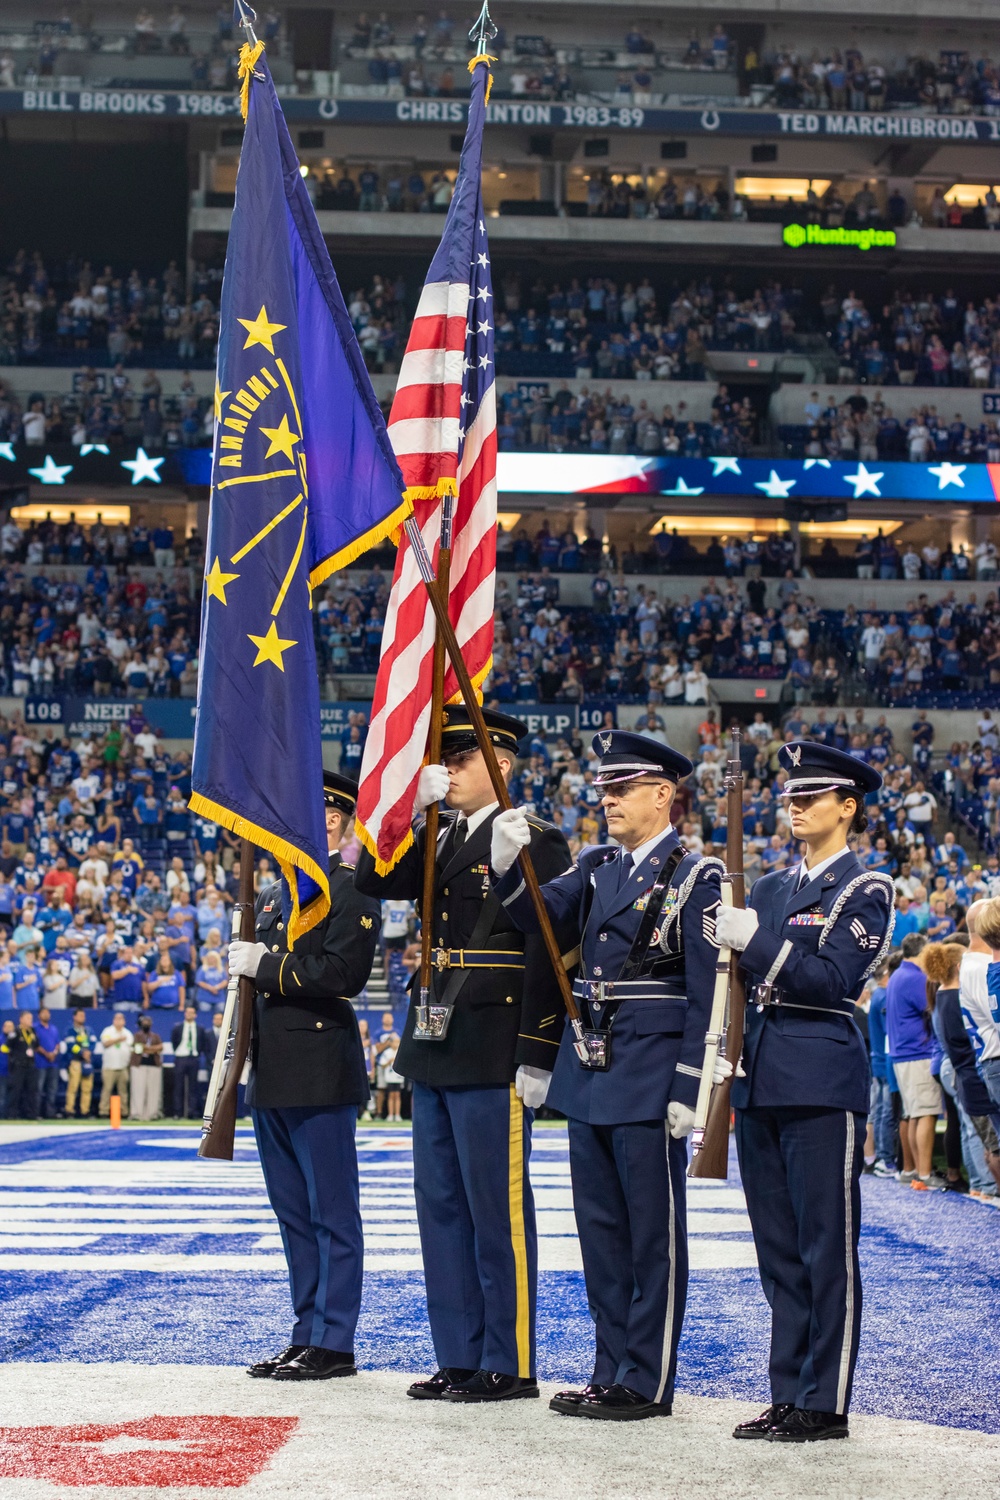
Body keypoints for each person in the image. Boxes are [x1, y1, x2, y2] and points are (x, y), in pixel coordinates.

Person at [490, 729, 722, 1421]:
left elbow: (708, 993)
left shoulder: (695, 874)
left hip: (652, 1070)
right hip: (592, 1069)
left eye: (623, 789)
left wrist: (690, 1084)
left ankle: (645, 1382)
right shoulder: (596, 864)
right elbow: (532, 918)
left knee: (652, 1235)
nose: (609, 799)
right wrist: (508, 863)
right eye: (605, 789)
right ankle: (608, 1368)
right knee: (600, 1232)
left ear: (663, 795)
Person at [356, 706, 572, 1405]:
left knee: (496, 1209)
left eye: (460, 760)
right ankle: (458, 1354)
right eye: (442, 761)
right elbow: (373, 881)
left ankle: (508, 1363)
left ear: (502, 765)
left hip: (494, 1042)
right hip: (437, 1037)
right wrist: (402, 820)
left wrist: (539, 1049)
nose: (446, 771)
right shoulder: (438, 835)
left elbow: (548, 949)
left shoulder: (535, 838)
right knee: (440, 1207)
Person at [717, 742, 894, 1443]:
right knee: (779, 1252)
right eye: (791, 797)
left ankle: (826, 1401)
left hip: (820, 1080)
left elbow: (828, 982)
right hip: (761, 1079)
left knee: (826, 1247)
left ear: (847, 806)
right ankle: (788, 1393)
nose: (795, 807)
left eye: (811, 797)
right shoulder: (767, 888)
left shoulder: (865, 889)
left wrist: (758, 943)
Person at [230, 771, 380, 1382]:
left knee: (331, 1212)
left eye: (328, 814)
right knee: (293, 1214)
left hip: (319, 1069)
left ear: (341, 822)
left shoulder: (349, 890)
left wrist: (267, 964)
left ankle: (335, 1340)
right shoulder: (270, 896)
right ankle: (305, 1332)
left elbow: (344, 974)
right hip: (273, 1073)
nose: (316, 822)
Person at [886, 932, 944, 1188]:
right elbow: (933, 1009)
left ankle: (911, 1169)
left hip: (902, 1054)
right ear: (921, 952)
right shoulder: (916, 977)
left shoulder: (898, 974)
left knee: (912, 1113)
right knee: (927, 1113)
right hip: (918, 1053)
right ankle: (923, 1174)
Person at [171, 1004, 209, 1118]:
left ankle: (192, 1112)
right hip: (181, 1057)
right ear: (185, 1014)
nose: (189, 1014)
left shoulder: (200, 1029)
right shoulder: (177, 1027)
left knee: (193, 1087)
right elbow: (174, 1042)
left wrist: (197, 1053)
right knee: (178, 1086)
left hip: (194, 1058)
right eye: (187, 1012)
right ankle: (178, 1112)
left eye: (191, 1012)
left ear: (195, 1015)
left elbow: (202, 1044)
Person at [61, 1008, 98, 1118]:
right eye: (80, 1015)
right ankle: (69, 1110)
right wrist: (82, 1052)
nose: (83, 1017)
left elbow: (93, 1042)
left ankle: (85, 1111)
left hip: (87, 1062)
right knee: (73, 1087)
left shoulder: (88, 1030)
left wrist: (88, 1052)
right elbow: (71, 1045)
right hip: (76, 1061)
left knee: (87, 1088)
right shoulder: (70, 1030)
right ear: (74, 1017)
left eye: (84, 1015)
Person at [98, 1012, 134, 1117]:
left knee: (123, 1091)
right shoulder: (108, 1031)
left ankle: (124, 1112)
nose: (119, 1021)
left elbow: (130, 1048)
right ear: (113, 1020)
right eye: (117, 1019)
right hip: (109, 1067)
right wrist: (118, 1039)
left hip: (123, 1067)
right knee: (107, 1089)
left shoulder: (128, 1033)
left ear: (124, 1021)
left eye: (121, 1019)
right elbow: (106, 1043)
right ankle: (103, 1111)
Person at [6, 1011, 40, 1117]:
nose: (30, 1020)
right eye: (27, 1018)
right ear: (21, 1019)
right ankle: (11, 1114)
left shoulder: (32, 1031)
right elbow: (7, 1046)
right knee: (15, 1090)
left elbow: (36, 1045)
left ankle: (31, 1114)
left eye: (31, 1018)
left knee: (31, 1090)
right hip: (18, 1065)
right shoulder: (15, 1031)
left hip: (30, 1064)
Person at [130, 1014, 164, 1120]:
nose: (146, 1024)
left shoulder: (155, 1036)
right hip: (139, 1065)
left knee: (153, 1091)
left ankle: (152, 1113)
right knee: (138, 1090)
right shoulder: (137, 1035)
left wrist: (147, 1048)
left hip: (154, 1065)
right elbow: (138, 1048)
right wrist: (153, 1049)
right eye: (145, 1022)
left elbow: (161, 1047)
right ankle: (137, 1113)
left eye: (148, 1022)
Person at [33, 1006, 61, 1118]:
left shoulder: (53, 1028)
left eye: (48, 1013)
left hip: (53, 1063)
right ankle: (36, 1113)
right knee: (38, 1089)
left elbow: (57, 1043)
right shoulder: (35, 1028)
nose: (46, 1015)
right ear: (39, 1015)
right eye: (44, 1013)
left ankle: (50, 1113)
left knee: (52, 1090)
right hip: (40, 1063)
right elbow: (35, 1044)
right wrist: (46, 1054)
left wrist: (54, 1053)